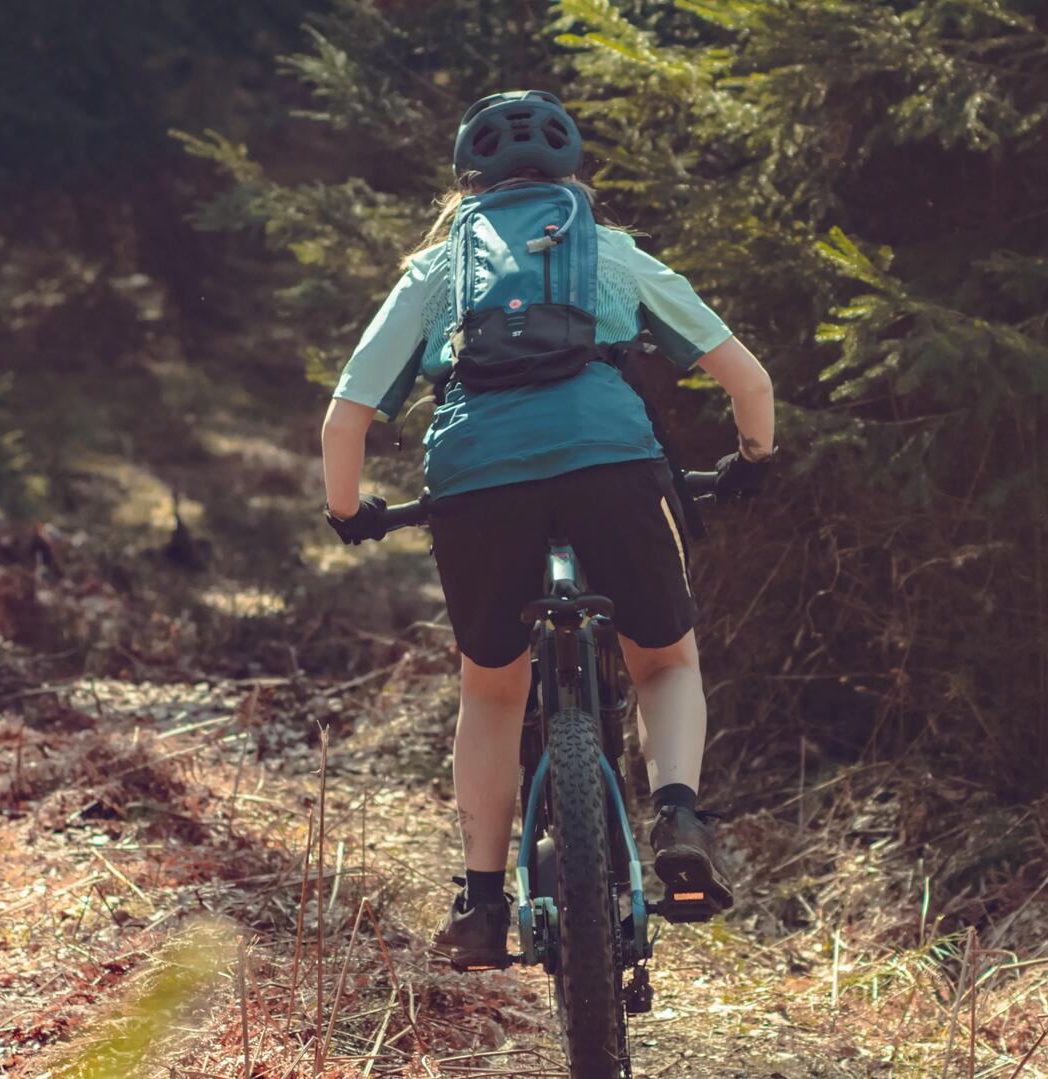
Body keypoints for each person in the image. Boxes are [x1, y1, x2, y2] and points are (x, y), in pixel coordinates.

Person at [320, 90, 776, 971]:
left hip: (476, 482)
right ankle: (679, 813)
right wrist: (753, 460)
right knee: (666, 660)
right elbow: (746, 379)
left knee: (493, 691)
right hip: (612, 467)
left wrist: (350, 511)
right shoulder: (610, 252)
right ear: (572, 175)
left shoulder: (435, 272)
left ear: (468, 182)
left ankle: (484, 904)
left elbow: (345, 421)